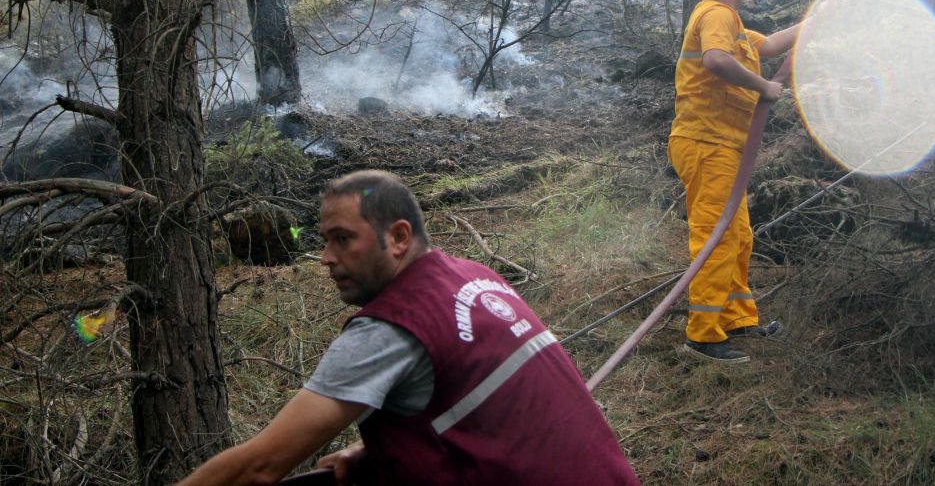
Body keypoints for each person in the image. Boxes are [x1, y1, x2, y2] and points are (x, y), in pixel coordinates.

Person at [178, 170, 639, 485]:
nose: (326, 258)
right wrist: (378, 452)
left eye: (343, 239)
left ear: (398, 238)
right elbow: (483, 406)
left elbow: (260, 466)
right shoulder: (477, 276)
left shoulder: (390, 331)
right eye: (324, 241)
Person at [669, 0, 800, 364]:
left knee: (738, 235)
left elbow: (774, 43)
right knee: (717, 237)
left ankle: (736, 318)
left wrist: (815, 22)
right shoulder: (717, 16)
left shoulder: (733, 26)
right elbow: (715, 60)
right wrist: (765, 86)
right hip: (707, 145)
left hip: (722, 147)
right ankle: (703, 336)